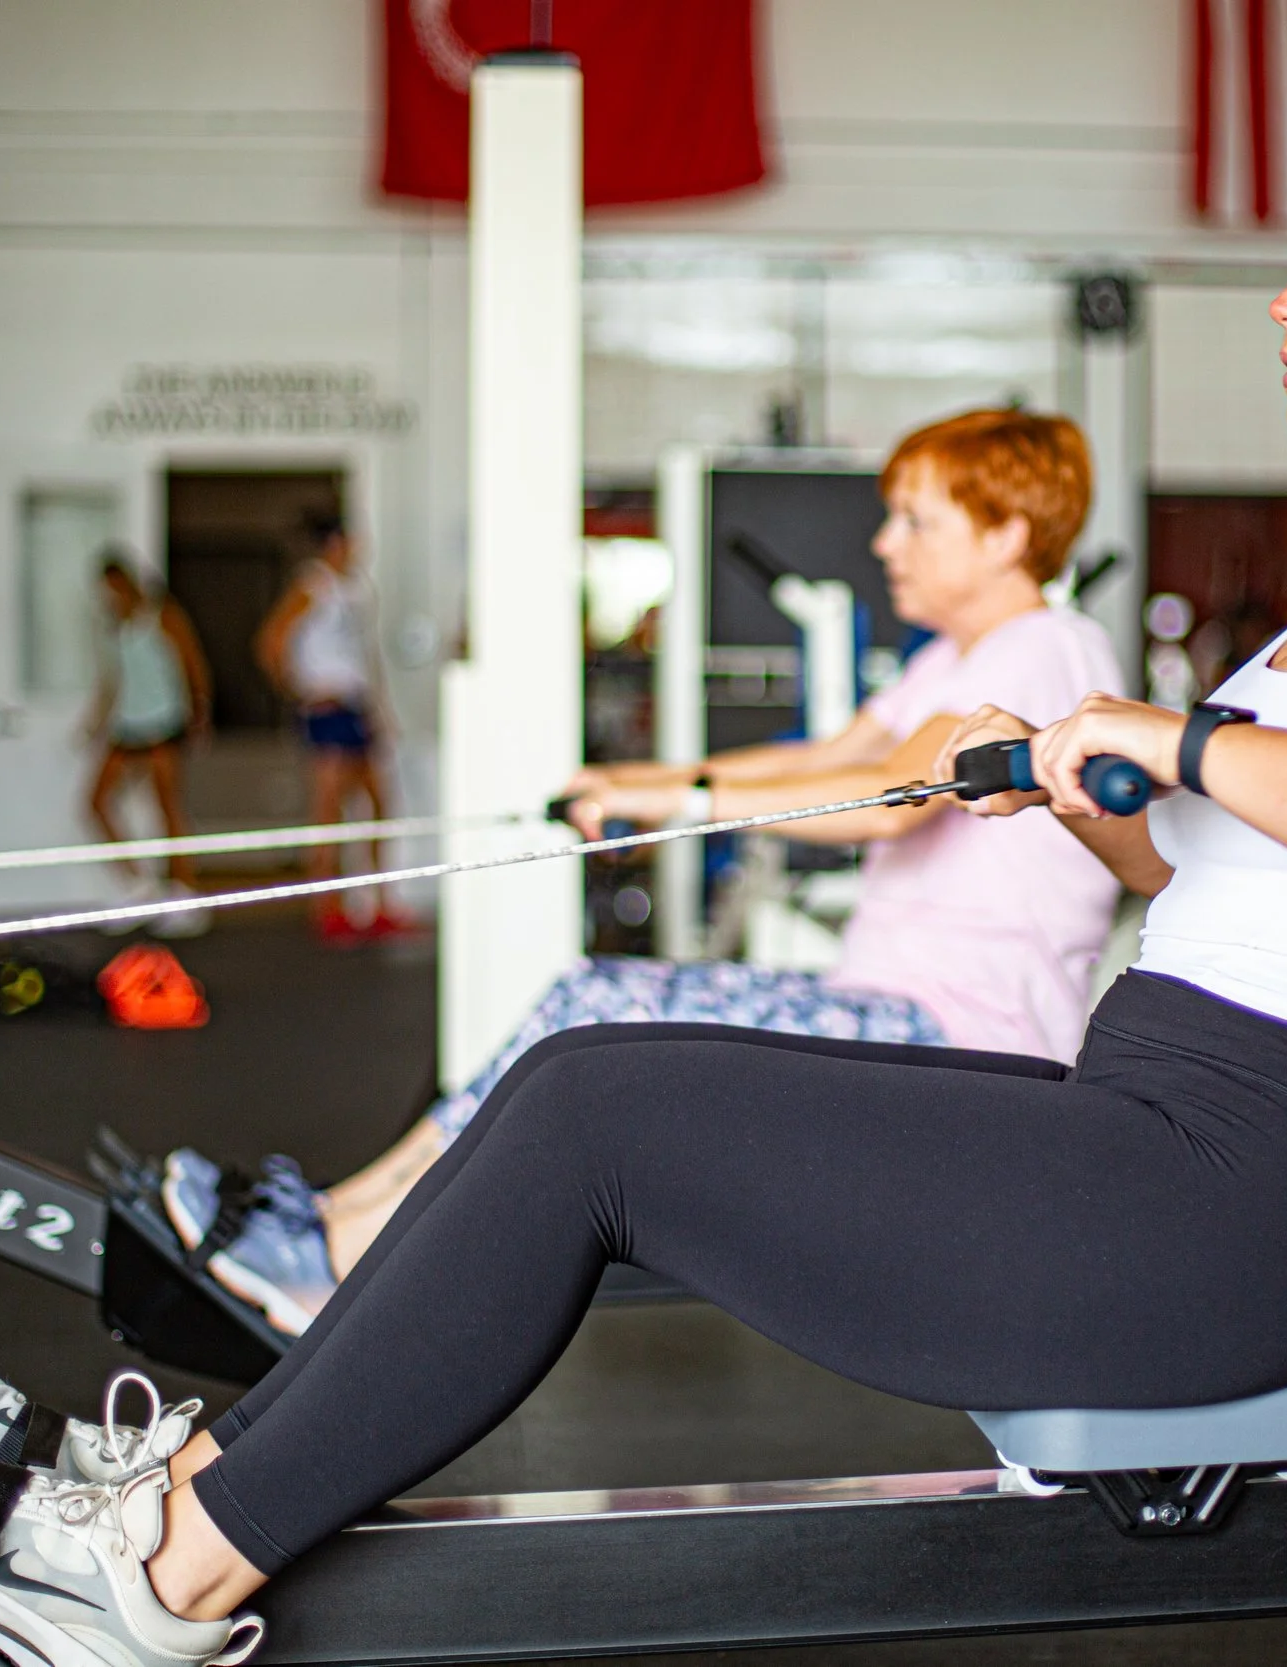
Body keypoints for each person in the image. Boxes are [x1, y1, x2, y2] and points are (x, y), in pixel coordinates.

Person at [0, 134, 1287, 1667]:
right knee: (583, 1078)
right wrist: (1089, 796)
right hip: (1158, 1133)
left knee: (599, 1109)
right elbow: (1252, 875)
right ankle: (169, 1498)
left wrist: (1181, 741)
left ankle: (157, 1577)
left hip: (1231, 1202)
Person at [163, 409, 1128, 1334]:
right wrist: (640, 781)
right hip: (890, 1009)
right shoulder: (960, 656)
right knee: (579, 1006)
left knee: (592, 1008)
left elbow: (891, 793)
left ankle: (339, 1258)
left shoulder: (1047, 648)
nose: (885, 543)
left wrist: (678, 802)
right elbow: (826, 753)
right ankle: (335, 1216)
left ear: (1006, 534)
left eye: (916, 521)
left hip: (964, 1043)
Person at [255, 514, 415, 943]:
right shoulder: (313, 585)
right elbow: (272, 640)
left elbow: (364, 655)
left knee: (378, 804)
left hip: (356, 705)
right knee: (329, 809)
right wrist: (299, 690)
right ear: (334, 544)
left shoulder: (357, 589)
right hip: (327, 710)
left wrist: (379, 709)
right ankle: (327, 907)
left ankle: (380, 902)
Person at [86, 553, 214, 937]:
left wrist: (200, 711)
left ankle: (185, 894)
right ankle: (140, 886)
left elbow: (193, 664)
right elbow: (115, 680)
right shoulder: (115, 627)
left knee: (167, 806)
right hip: (128, 725)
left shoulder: (163, 617)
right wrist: (96, 722)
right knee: (96, 803)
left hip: (162, 723)